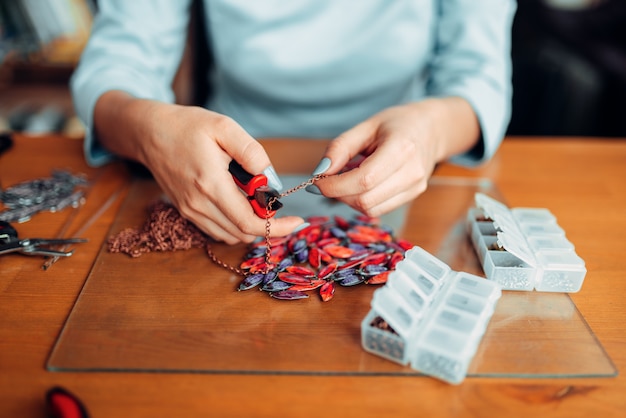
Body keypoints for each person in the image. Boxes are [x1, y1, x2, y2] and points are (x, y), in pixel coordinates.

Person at [71, 0, 517, 245]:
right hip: (221, 174)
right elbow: (118, 63)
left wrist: (432, 130)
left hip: (413, 181)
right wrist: (151, 132)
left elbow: (478, 78)